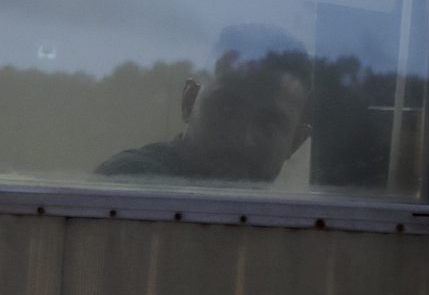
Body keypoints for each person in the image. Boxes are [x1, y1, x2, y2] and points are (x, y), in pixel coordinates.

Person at [95, 26, 312, 182]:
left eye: (269, 124)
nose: (242, 137)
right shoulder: (131, 182)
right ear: (188, 102)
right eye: (227, 108)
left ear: (295, 143)